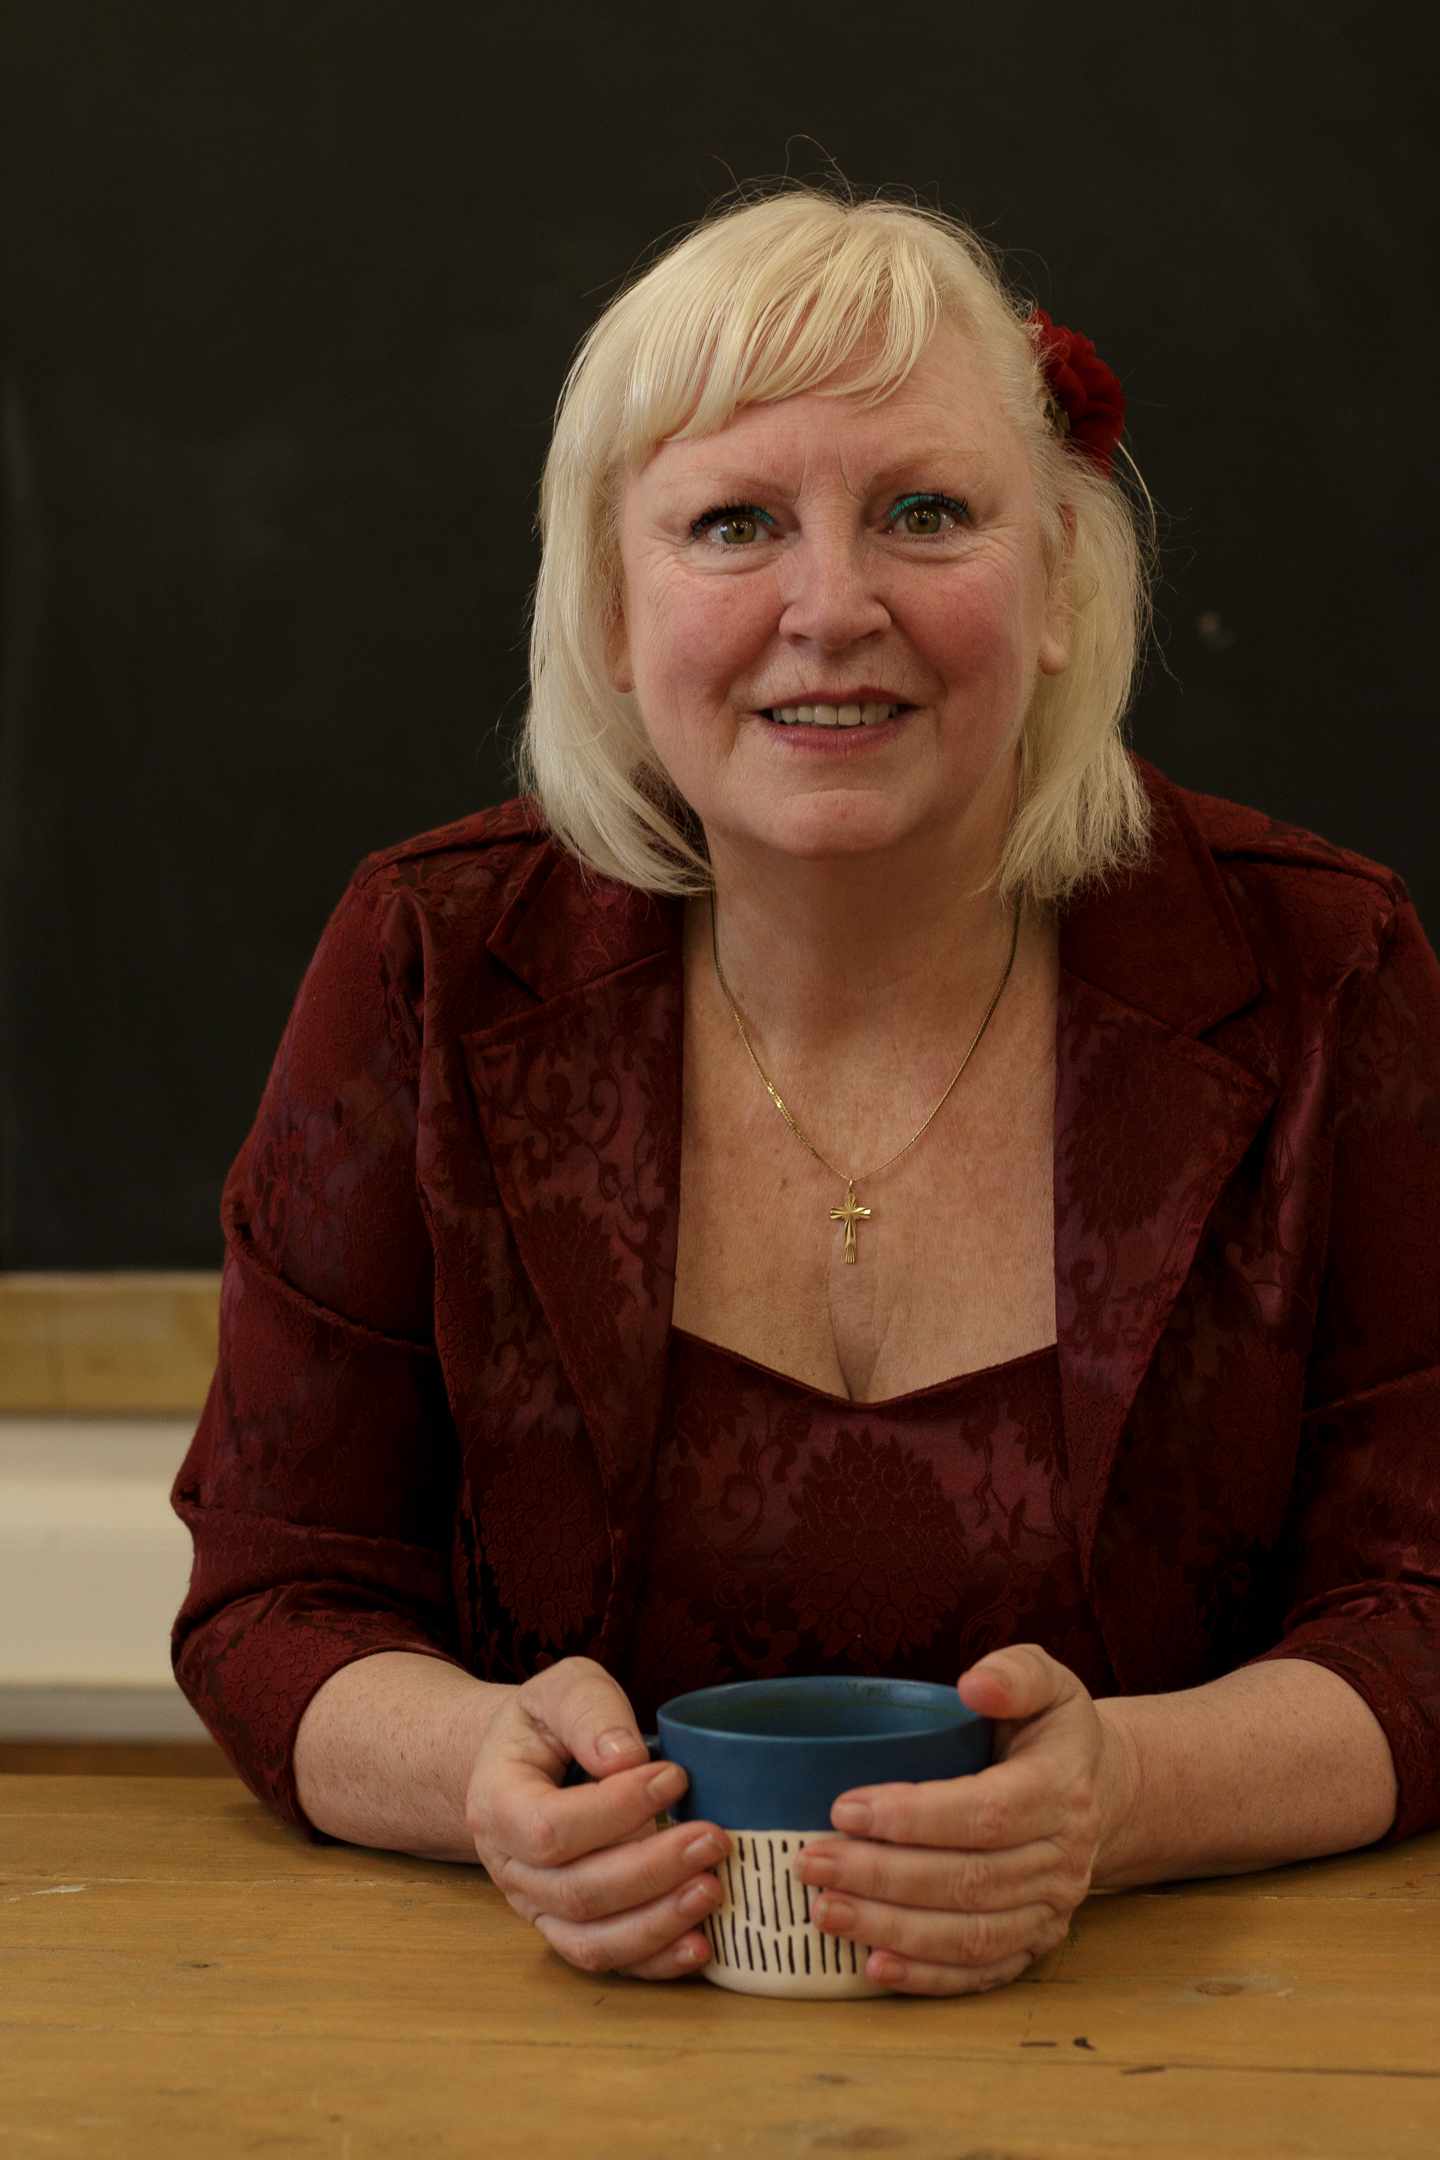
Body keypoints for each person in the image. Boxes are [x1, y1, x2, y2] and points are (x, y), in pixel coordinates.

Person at [172, 186, 1440, 1998]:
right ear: (613, 612)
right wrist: (482, 1781)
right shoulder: (428, 966)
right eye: (733, 524)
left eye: (927, 514)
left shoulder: (1332, 975)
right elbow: (274, 1601)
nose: (830, 607)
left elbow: (1429, 1604)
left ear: (1066, 585)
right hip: (546, 2075)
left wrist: (1131, 1797)